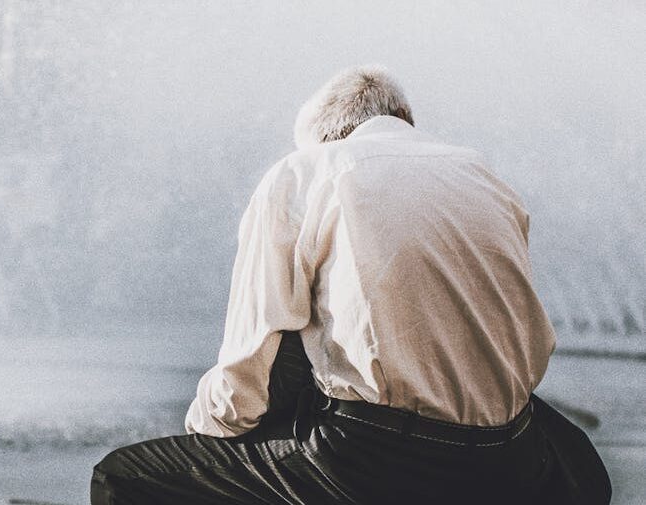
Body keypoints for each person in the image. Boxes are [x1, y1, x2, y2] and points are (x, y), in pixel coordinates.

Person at [90, 65, 611, 504]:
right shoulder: (483, 176)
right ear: (403, 121)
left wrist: (209, 444)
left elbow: (247, 368)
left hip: (377, 460)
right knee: (579, 464)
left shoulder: (304, 172)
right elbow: (528, 345)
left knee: (124, 477)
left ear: (323, 138)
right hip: (509, 458)